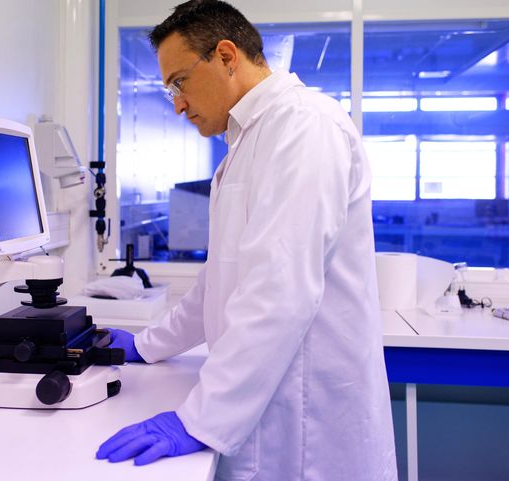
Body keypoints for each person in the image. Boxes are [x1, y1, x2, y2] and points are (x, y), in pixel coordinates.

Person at [96, 1, 398, 480]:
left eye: (179, 82)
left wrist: (198, 419)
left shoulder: (304, 126)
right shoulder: (248, 141)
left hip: (309, 424)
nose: (176, 103)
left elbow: (280, 291)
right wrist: (148, 345)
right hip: (267, 408)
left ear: (226, 56)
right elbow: (222, 281)